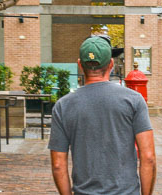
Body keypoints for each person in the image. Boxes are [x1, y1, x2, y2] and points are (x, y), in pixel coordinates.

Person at [49, 34, 156, 195]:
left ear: (80, 65)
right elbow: (148, 157)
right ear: (111, 64)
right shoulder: (133, 100)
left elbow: (58, 164)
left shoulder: (63, 106)